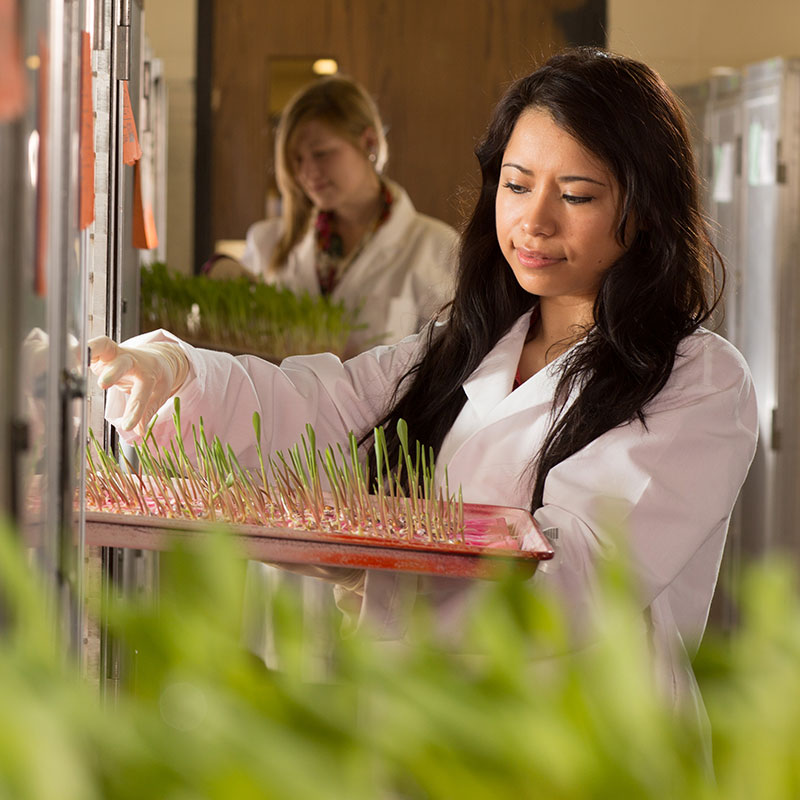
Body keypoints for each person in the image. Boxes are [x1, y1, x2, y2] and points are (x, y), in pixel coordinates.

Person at [90, 49, 757, 731]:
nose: (534, 221)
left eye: (577, 195)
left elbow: (581, 579)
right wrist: (183, 376)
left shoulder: (698, 380)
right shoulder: (465, 345)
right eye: (517, 184)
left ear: (645, 209)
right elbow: (325, 406)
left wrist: (371, 572)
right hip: (427, 729)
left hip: (584, 745)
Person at [204, 75, 459, 356]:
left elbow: (448, 365)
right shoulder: (269, 241)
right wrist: (221, 269)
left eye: (321, 153)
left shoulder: (438, 248)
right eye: (297, 159)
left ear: (369, 143)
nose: (308, 173)